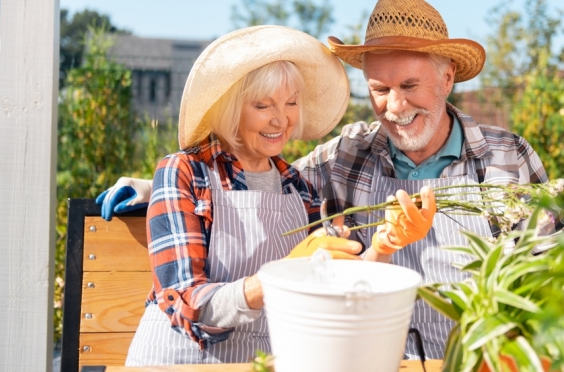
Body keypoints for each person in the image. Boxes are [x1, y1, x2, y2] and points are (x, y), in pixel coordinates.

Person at [99, 0, 548, 361]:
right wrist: (153, 189)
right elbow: (232, 179)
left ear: (447, 78)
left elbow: (549, 275)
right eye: (379, 89)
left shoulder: (506, 158)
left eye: (410, 86)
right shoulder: (345, 157)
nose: (394, 106)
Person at [120, 25, 436, 366]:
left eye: (291, 102)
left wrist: (383, 246)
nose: (281, 119)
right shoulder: (186, 172)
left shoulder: (299, 187)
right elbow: (185, 303)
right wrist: (284, 273)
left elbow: (335, 296)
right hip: (180, 360)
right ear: (231, 108)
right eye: (262, 105)